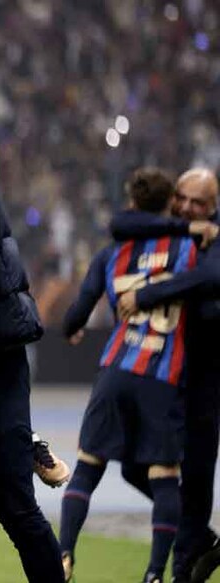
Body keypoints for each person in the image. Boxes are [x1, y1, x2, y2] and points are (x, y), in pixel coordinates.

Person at [60, 168, 196, 583]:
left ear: (132, 203)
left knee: (87, 465)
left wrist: (73, 329)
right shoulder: (188, 248)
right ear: (171, 203)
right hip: (162, 373)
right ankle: (155, 572)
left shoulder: (110, 254)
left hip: (116, 369)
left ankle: (64, 554)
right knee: (164, 474)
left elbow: (76, 314)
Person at [108, 168, 220, 582]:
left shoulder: (214, 233)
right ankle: (198, 537)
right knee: (133, 464)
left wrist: (147, 294)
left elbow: (211, 277)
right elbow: (120, 223)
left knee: (195, 473)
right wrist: (185, 224)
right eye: (183, 198)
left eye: (200, 203)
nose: (190, 207)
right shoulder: (182, 227)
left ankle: (187, 560)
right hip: (164, 374)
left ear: (214, 206)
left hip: (205, 378)